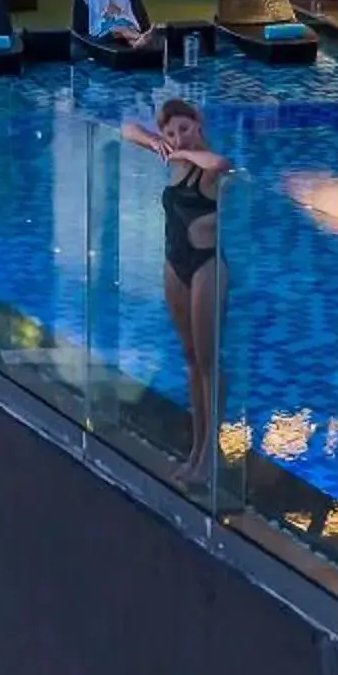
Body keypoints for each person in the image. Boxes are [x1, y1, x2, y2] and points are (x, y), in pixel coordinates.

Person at [122, 98, 235, 485]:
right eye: (172, 132)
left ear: (199, 124)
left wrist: (184, 149)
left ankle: (209, 454)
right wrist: (158, 141)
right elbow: (127, 128)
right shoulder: (176, 161)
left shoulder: (206, 168)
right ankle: (197, 448)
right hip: (175, 263)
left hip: (206, 265)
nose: (177, 138)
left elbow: (222, 163)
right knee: (190, 358)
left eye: (184, 128)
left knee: (208, 361)